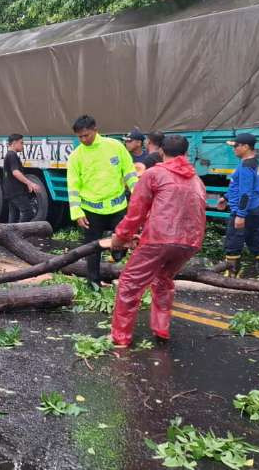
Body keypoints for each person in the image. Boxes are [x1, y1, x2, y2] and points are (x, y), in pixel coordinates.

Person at [109, 135, 207, 347]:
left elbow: (136, 211)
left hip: (160, 239)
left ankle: (121, 337)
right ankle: (161, 329)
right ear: (186, 154)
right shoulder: (197, 180)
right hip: (190, 242)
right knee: (163, 279)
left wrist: (121, 236)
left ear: (161, 151)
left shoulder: (154, 173)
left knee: (129, 284)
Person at [67, 115, 138, 288]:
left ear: (95, 130)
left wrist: (138, 197)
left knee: (123, 241)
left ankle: (120, 258)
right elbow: (73, 186)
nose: (83, 139)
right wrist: (77, 212)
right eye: (80, 137)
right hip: (91, 210)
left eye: (86, 135)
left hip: (117, 207)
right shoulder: (76, 156)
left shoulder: (115, 147)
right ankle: (93, 282)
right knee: (92, 249)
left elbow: (129, 173)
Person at [219, 133, 259, 279]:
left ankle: (231, 275)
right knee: (257, 241)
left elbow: (245, 193)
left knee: (233, 242)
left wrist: (240, 215)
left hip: (245, 210)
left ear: (246, 147)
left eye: (236, 146)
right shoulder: (254, 162)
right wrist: (226, 197)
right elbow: (239, 186)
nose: (234, 149)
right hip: (255, 209)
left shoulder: (246, 166)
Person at [3, 133, 42, 223]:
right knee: (28, 212)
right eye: (21, 143)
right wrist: (30, 183)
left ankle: (10, 235)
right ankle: (20, 233)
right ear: (14, 143)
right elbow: (16, 172)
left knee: (14, 215)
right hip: (15, 191)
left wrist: (26, 184)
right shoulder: (12, 155)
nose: (23, 145)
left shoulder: (10, 155)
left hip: (11, 191)